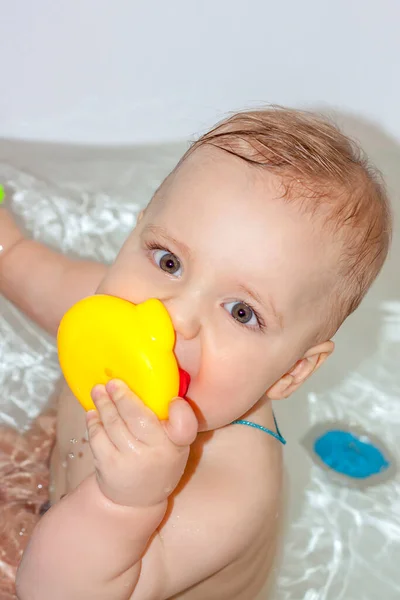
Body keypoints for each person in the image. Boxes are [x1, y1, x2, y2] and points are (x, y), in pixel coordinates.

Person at [0, 107, 391, 599]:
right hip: (46, 490)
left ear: (293, 371)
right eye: (169, 261)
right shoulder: (119, 308)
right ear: (133, 236)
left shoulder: (226, 490)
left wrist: (125, 505)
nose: (174, 315)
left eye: (241, 312)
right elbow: (18, 265)